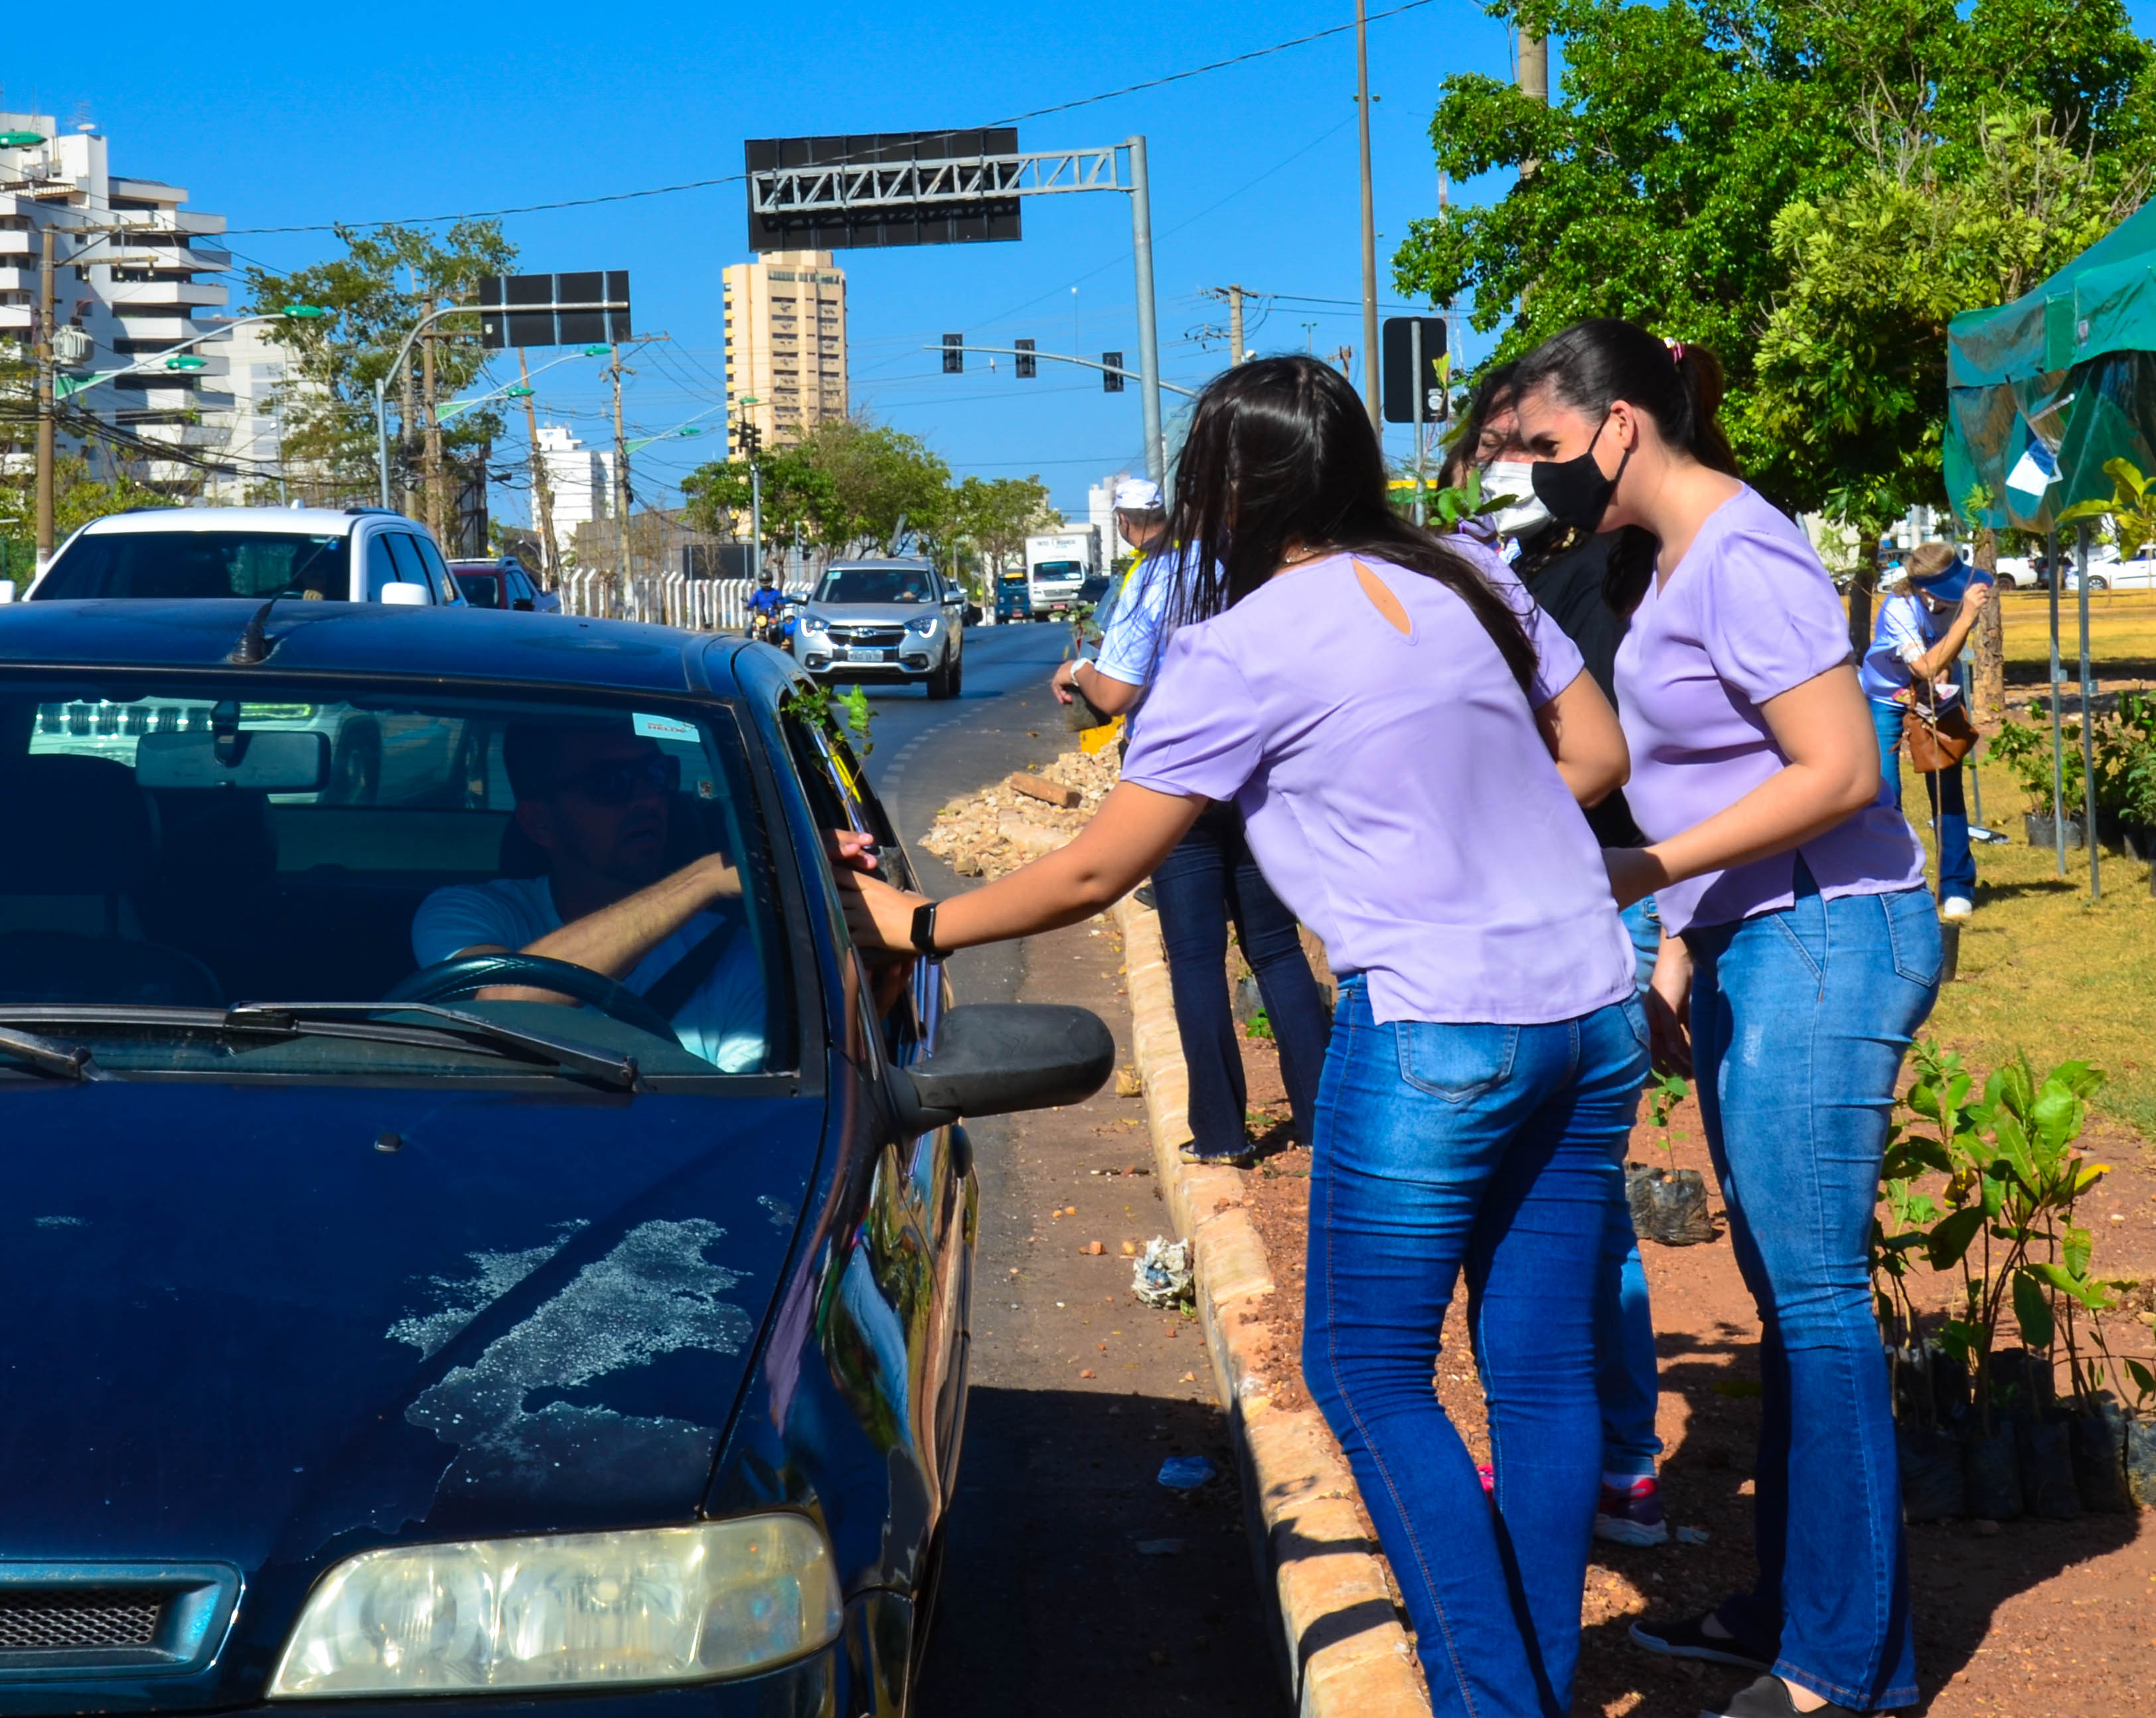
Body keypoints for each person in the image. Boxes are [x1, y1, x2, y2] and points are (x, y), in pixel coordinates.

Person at [836, 355, 1643, 1718]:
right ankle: (1532, 1686)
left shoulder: (1236, 646)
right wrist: (1470, 835)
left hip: (1438, 1025)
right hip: (1589, 1001)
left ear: (1220, 490)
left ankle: (1495, 1700)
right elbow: (1600, 755)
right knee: (1542, 1366)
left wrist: (915, 923)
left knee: (1362, 1370)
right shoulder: (1469, 575)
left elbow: (1101, 866)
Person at [1503, 319, 1930, 1718]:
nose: (1537, 473)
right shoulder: (1675, 557)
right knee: (1785, 1294)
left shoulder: (1744, 552)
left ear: (1620, 423)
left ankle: (1845, 1670)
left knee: (1816, 1301)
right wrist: (1683, 948)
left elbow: (1841, 772)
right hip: (1759, 934)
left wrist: (1650, 872)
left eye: (1546, 445)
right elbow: (1730, 771)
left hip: (1828, 932)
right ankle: (1795, 1609)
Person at [1453, 369, 1698, 1551]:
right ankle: (1608, 1461)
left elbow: (1624, 768)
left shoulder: (1583, 582)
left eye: (1525, 443)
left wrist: (1672, 941)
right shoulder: (1577, 572)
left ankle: (1590, 1461)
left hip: (1587, 902)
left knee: (1557, 1205)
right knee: (1574, 1202)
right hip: (1591, 904)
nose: (1509, 465)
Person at [1055, 477, 1330, 1164]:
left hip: (1175, 781)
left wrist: (1078, 671)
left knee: (1196, 958)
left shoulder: (1158, 579)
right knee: (1277, 950)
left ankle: (1219, 1133)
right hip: (1257, 773)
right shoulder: (1269, 572)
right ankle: (1324, 1124)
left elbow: (1117, 694)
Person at [411, 718, 769, 1071]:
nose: (648, 799)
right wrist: (701, 880)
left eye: (657, 774)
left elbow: (746, 1102)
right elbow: (495, 1005)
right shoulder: (469, 913)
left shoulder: (734, 953)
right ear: (540, 823)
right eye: (611, 783)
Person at [1859, 541, 1988, 921]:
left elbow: (1942, 657)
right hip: (1886, 697)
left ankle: (1956, 886)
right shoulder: (1898, 609)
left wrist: (1945, 668)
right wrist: (1965, 619)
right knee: (1884, 791)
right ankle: (1894, 883)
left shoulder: (1958, 602)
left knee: (1947, 785)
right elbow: (1922, 666)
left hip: (1935, 694)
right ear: (1926, 591)